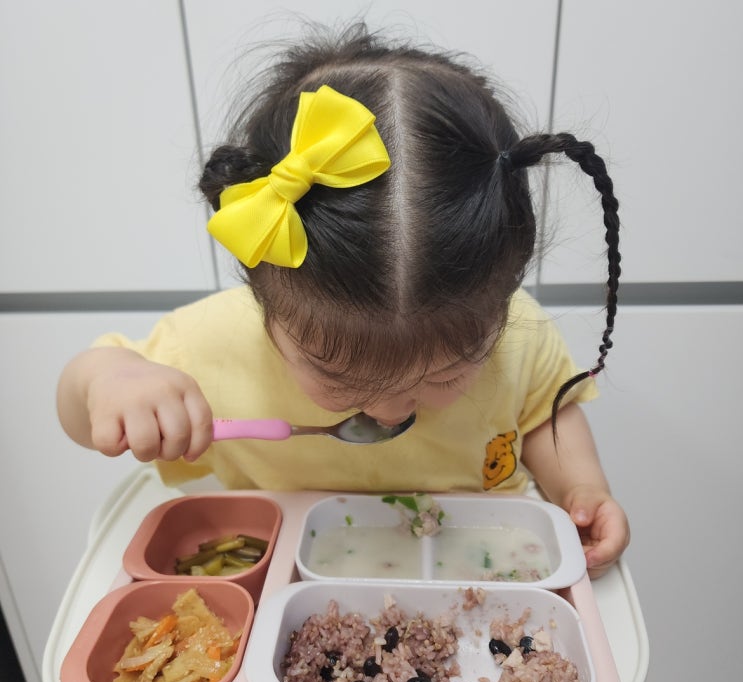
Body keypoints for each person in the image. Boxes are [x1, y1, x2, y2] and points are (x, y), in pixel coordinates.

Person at [57, 22, 629, 579]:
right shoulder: (211, 346)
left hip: (480, 569)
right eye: (341, 378)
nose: (390, 413)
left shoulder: (518, 335)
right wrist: (113, 382)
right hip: (282, 584)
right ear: (266, 303)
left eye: (446, 374)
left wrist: (580, 488)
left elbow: (543, 417)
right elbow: (84, 405)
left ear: (500, 304)